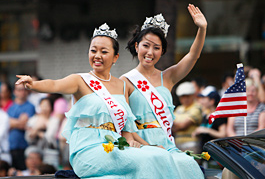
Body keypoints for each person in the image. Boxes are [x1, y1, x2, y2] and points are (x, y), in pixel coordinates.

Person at [15, 23, 181, 178]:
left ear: (115, 57)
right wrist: (33, 84)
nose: (97, 56)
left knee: (158, 156)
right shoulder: (80, 80)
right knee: (146, 160)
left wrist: (139, 144)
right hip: (88, 148)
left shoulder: (122, 86)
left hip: (116, 147)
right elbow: (54, 84)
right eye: (93, 50)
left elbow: (127, 129)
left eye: (104, 51)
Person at [121, 4, 206, 179]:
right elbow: (124, 124)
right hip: (140, 145)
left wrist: (202, 28)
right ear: (137, 46)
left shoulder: (168, 77)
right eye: (146, 45)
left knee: (188, 165)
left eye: (157, 48)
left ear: (162, 51)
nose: (150, 52)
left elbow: (193, 55)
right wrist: (146, 146)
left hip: (167, 144)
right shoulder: (126, 81)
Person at [8, 84, 36, 170]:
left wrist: (12, 122)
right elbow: (6, 124)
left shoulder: (30, 106)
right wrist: (17, 122)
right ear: (14, 92)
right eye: (20, 90)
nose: (22, 92)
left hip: (23, 145)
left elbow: (25, 124)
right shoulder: (11, 107)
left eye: (24, 90)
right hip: (11, 146)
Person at [192, 86, 226, 152]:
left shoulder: (219, 116)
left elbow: (223, 134)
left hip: (215, 155)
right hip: (205, 154)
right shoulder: (205, 115)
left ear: (212, 101)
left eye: (203, 98)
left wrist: (207, 130)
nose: (201, 101)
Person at [172, 82, 203, 153]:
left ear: (193, 95)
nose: (185, 99)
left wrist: (173, 124)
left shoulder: (197, 108)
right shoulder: (179, 109)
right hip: (177, 144)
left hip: (192, 144)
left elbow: (183, 126)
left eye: (187, 96)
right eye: (182, 96)